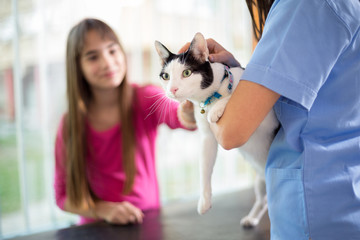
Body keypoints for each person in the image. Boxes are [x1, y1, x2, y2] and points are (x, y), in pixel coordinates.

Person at [184, 1, 359, 239]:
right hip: (345, 194)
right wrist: (234, 74)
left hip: (313, 209)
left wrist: (202, 93)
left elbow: (230, 132)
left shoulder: (302, 6)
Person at [54, 18, 196, 225]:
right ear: (78, 67)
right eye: (93, 57)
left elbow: (182, 119)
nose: (107, 63)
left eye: (112, 51)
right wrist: (104, 210)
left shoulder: (145, 98)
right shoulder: (69, 124)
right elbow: (62, 196)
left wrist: (191, 109)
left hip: (147, 224)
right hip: (95, 230)